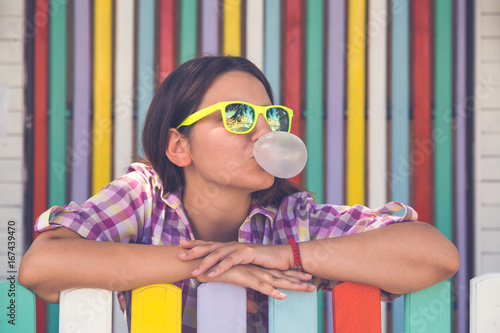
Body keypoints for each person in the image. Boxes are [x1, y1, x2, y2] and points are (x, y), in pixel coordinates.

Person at [19, 56, 459, 332]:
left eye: (272, 116)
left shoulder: (293, 219)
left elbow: (435, 255)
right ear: (179, 146)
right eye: (238, 115)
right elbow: (43, 265)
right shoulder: (144, 195)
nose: (264, 132)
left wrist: (286, 255)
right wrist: (215, 264)